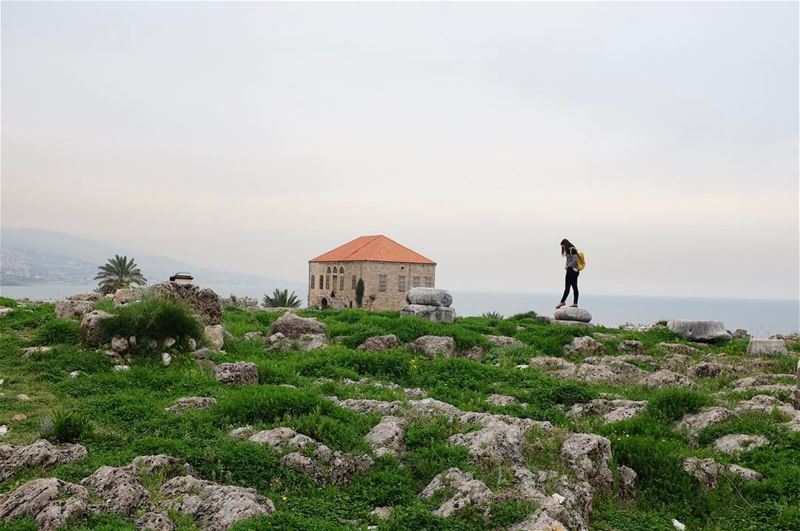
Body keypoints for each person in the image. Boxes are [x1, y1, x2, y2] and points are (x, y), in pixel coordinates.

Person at [556, 238, 579, 309]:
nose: (563, 248)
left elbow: (575, 260)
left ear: (565, 244)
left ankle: (562, 301)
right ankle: (575, 303)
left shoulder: (572, 249)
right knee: (574, 287)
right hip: (573, 271)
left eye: (563, 246)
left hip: (572, 271)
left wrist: (567, 265)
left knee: (568, 287)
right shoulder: (570, 250)